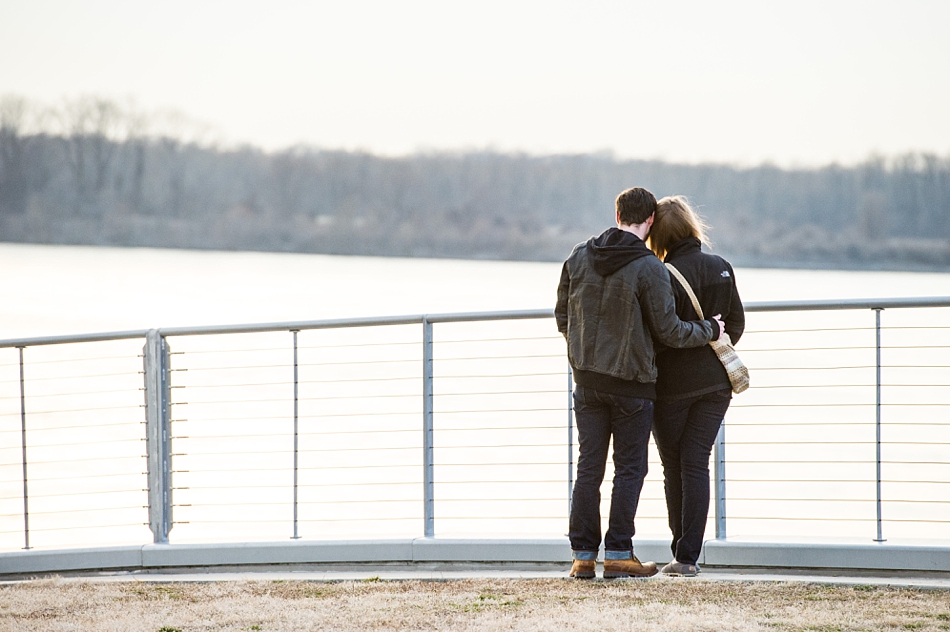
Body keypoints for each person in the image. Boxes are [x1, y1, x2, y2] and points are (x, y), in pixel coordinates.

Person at [555, 187, 724, 579]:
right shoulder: (649, 267)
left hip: (587, 381)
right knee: (629, 469)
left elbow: (562, 315)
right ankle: (617, 552)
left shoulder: (579, 255)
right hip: (632, 385)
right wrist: (710, 328)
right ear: (649, 222)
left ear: (617, 216)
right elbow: (669, 331)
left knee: (588, 468)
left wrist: (582, 355)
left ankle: (582, 556)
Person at [647, 195, 745, 577]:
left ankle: (680, 552)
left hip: (670, 387)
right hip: (716, 385)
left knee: (675, 466)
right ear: (691, 226)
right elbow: (734, 326)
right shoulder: (721, 267)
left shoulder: (662, 274)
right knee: (696, 463)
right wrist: (709, 341)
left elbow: (660, 334)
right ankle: (687, 557)